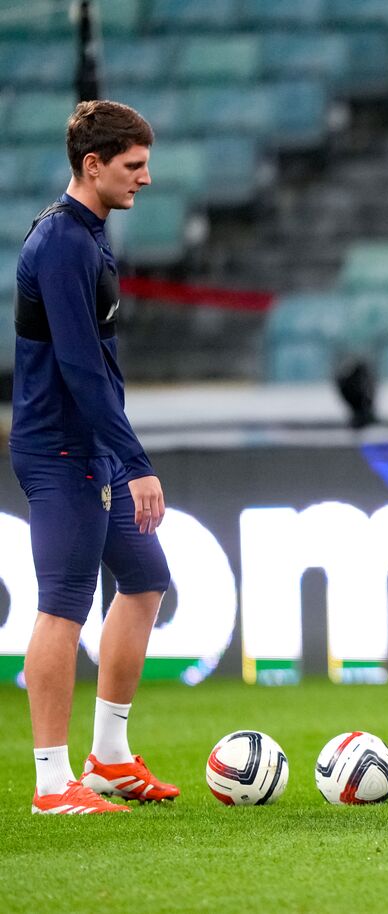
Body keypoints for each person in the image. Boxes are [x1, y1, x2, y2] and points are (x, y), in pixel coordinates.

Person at [15, 101, 175, 814]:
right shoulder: (63, 245)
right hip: (60, 448)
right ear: (94, 166)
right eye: (134, 166)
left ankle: (108, 758)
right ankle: (52, 783)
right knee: (62, 608)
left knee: (144, 580)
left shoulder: (89, 235)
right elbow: (80, 369)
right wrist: (134, 460)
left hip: (91, 446)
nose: (146, 177)